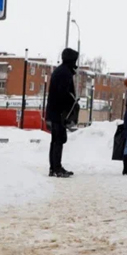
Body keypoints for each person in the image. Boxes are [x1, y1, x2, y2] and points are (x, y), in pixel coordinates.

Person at [46, 48, 79, 178]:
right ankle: (56, 168)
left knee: (56, 140)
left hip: (55, 111)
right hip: (59, 112)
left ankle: (54, 167)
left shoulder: (61, 71)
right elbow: (63, 93)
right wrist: (71, 102)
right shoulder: (64, 73)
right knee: (58, 140)